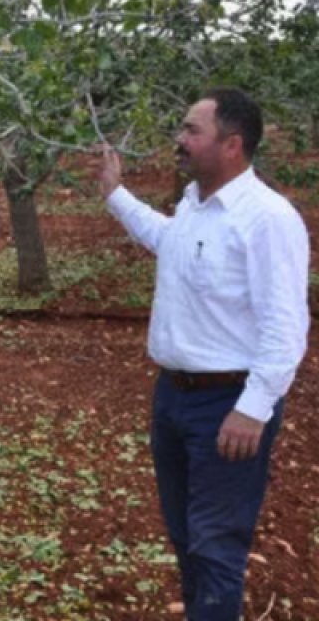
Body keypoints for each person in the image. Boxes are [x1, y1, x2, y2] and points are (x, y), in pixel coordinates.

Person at [97, 88, 310, 620]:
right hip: (173, 398)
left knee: (216, 545)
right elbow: (167, 241)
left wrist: (253, 407)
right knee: (187, 535)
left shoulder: (267, 219)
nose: (180, 139)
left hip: (227, 406)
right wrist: (115, 195)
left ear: (231, 144)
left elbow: (286, 326)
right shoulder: (195, 205)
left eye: (193, 130)